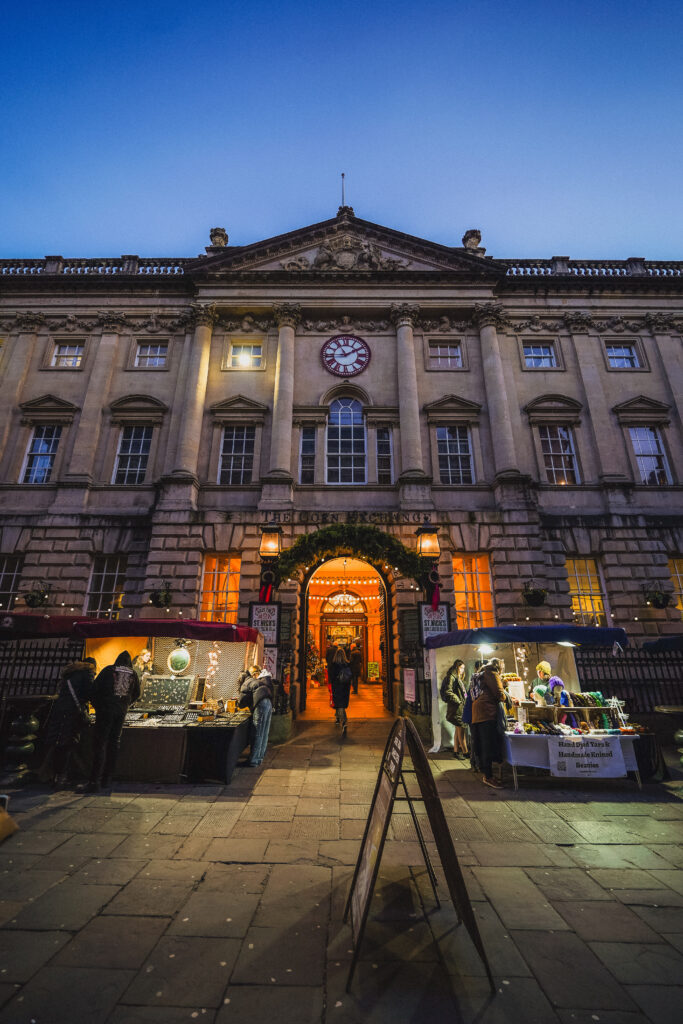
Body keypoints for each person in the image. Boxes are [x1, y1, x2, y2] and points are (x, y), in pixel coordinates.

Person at [85, 650, 140, 793]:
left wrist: (98, 705)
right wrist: (125, 704)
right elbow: (136, 694)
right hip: (120, 713)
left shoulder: (109, 670)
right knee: (114, 743)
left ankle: (94, 781)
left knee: (100, 744)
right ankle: (107, 779)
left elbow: (94, 690)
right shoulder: (132, 674)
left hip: (105, 712)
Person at [45, 656, 96, 786]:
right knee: (68, 743)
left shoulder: (70, 673)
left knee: (60, 743)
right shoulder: (87, 673)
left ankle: (57, 775)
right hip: (72, 712)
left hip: (59, 710)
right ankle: (62, 776)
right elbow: (90, 692)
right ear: (92, 666)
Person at [469, 657, 506, 789]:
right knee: (487, 744)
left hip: (478, 712)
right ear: (499, 666)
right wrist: (505, 695)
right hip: (487, 712)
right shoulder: (491, 673)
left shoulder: (482, 672)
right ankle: (488, 776)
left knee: (483, 743)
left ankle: (486, 772)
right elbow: (499, 693)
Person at [239, 665, 274, 766]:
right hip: (268, 704)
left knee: (257, 732)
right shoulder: (262, 680)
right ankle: (259, 757)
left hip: (261, 705)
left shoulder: (247, 682)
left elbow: (241, 702)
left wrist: (239, 705)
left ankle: (253, 761)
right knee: (264, 732)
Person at [440, 658, 469, 759]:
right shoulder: (451, 677)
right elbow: (448, 691)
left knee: (458, 729)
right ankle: (465, 751)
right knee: (461, 729)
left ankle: (456, 751)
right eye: (461, 668)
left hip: (460, 707)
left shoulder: (457, 678)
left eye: (463, 668)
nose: (462, 670)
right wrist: (458, 701)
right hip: (456, 707)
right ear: (457, 667)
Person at [329, 647, 352, 735]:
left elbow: (331, 676)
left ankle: (344, 721)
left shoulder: (334, 664)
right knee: (341, 703)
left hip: (337, 686)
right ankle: (338, 718)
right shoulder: (347, 663)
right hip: (345, 687)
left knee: (339, 704)